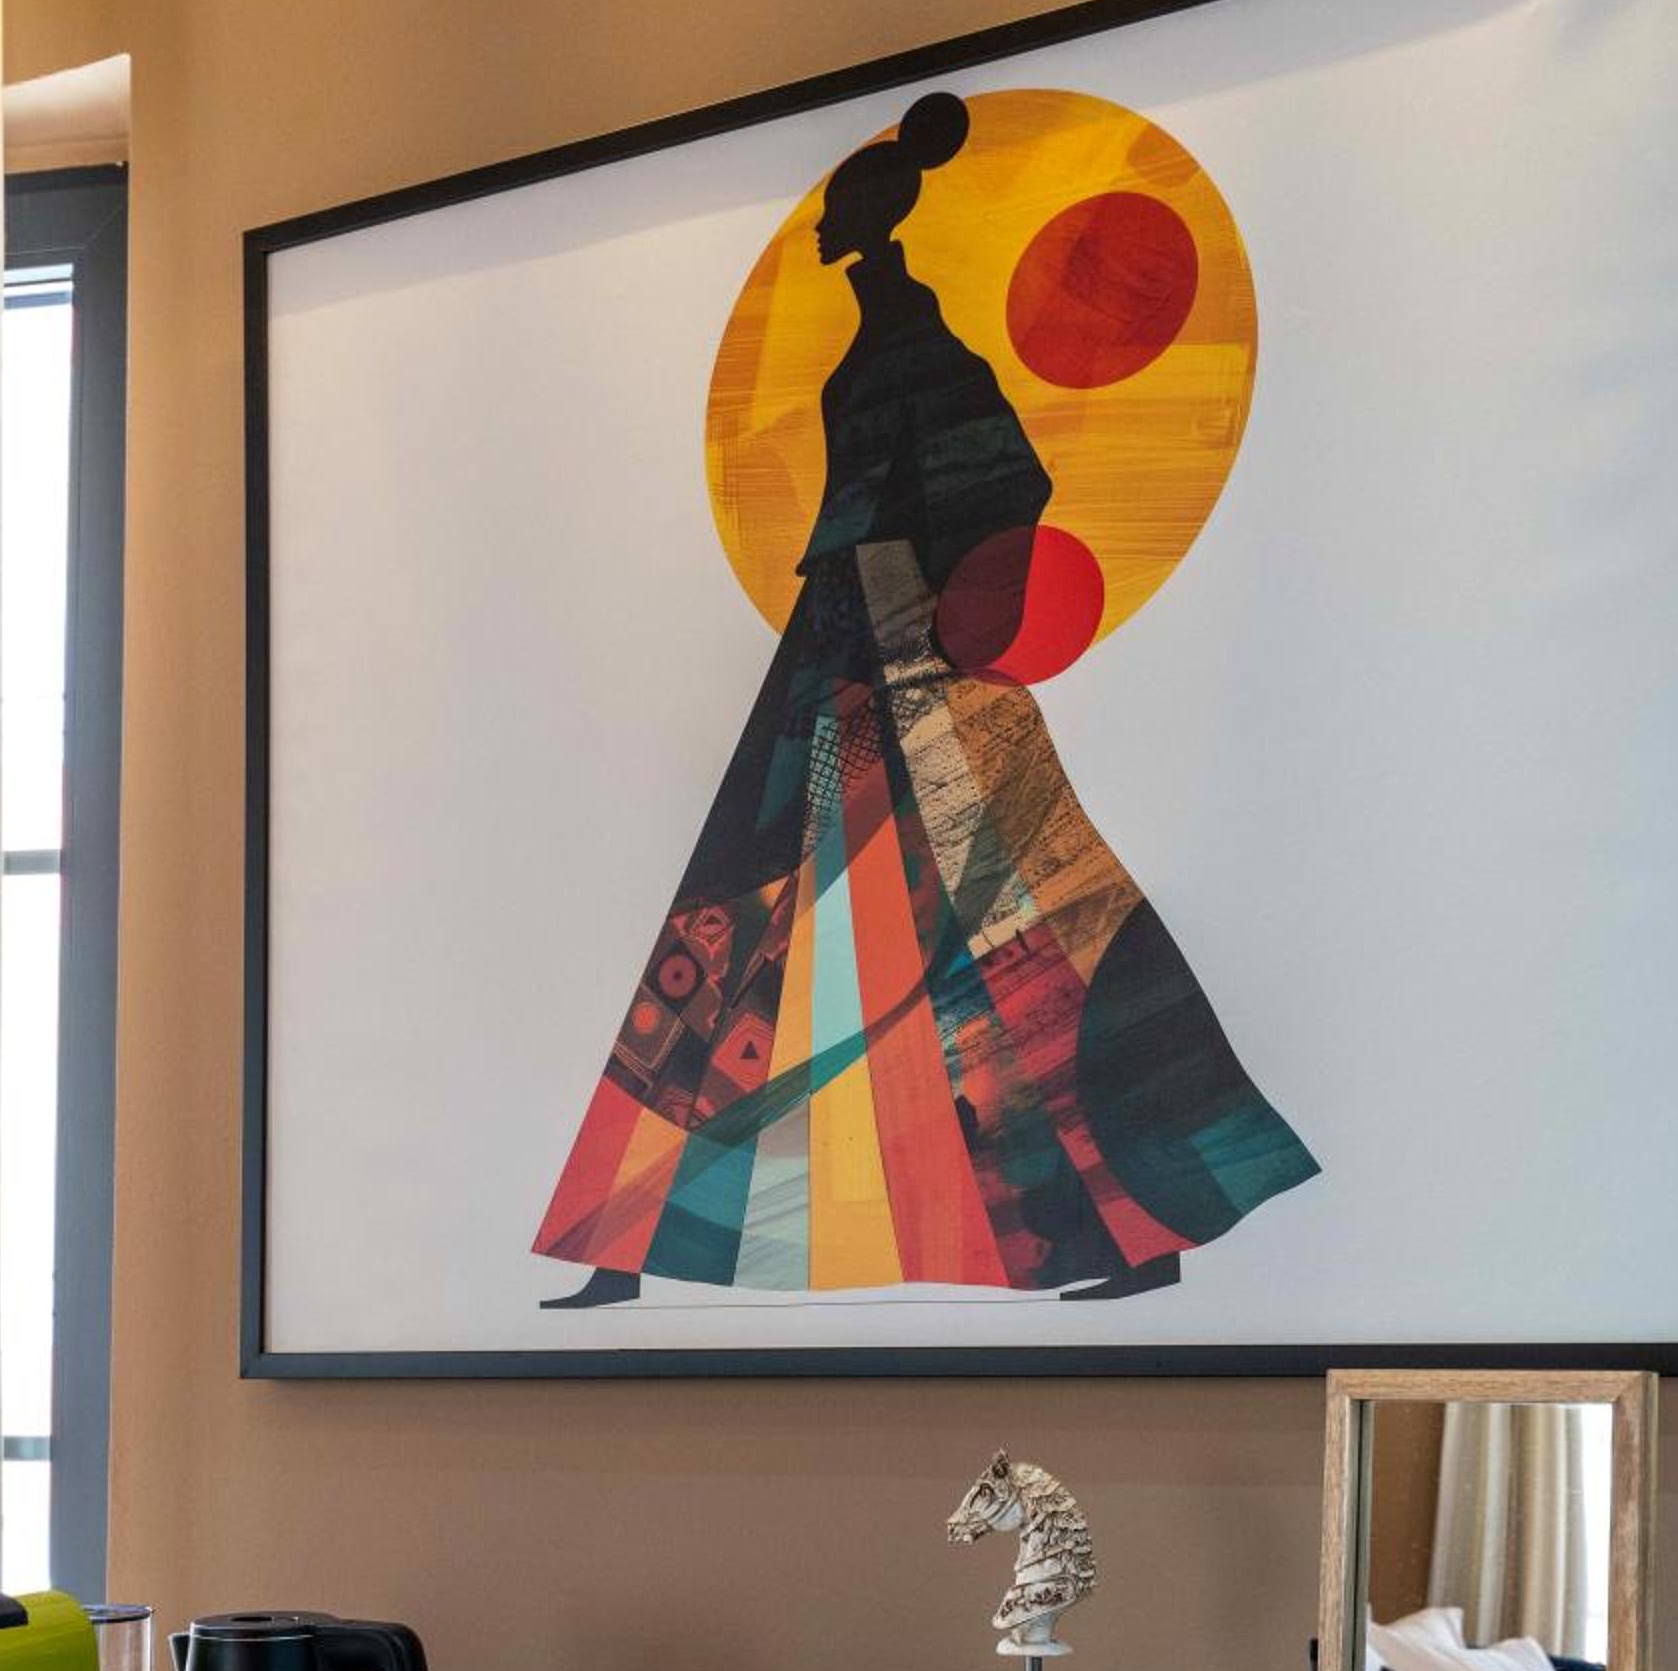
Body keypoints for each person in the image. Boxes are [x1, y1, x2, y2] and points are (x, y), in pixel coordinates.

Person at [536, 92, 1316, 1308]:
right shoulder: (884, 338)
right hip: (845, 643)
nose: (818, 233)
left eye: (834, 217)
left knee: (1010, 925)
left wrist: (929, 596)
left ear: (864, 227)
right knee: (772, 919)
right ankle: (625, 1244)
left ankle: (1144, 1228)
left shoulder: (917, 345)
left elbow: (1012, 480)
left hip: (903, 651)